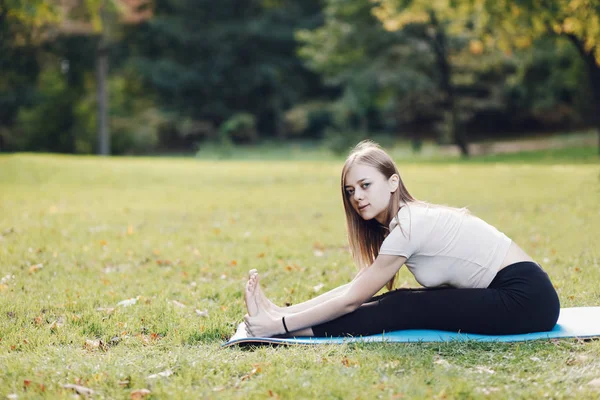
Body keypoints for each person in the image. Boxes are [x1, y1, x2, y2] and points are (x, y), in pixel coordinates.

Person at [242, 140, 560, 338]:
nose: (357, 197)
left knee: (404, 305)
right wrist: (281, 312)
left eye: (366, 185)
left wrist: (279, 328)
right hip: (520, 294)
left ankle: (290, 330)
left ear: (393, 182)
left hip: (526, 299)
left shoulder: (409, 226)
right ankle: (281, 321)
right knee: (400, 301)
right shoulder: (404, 222)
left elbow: (352, 300)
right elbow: (356, 288)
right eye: (351, 191)